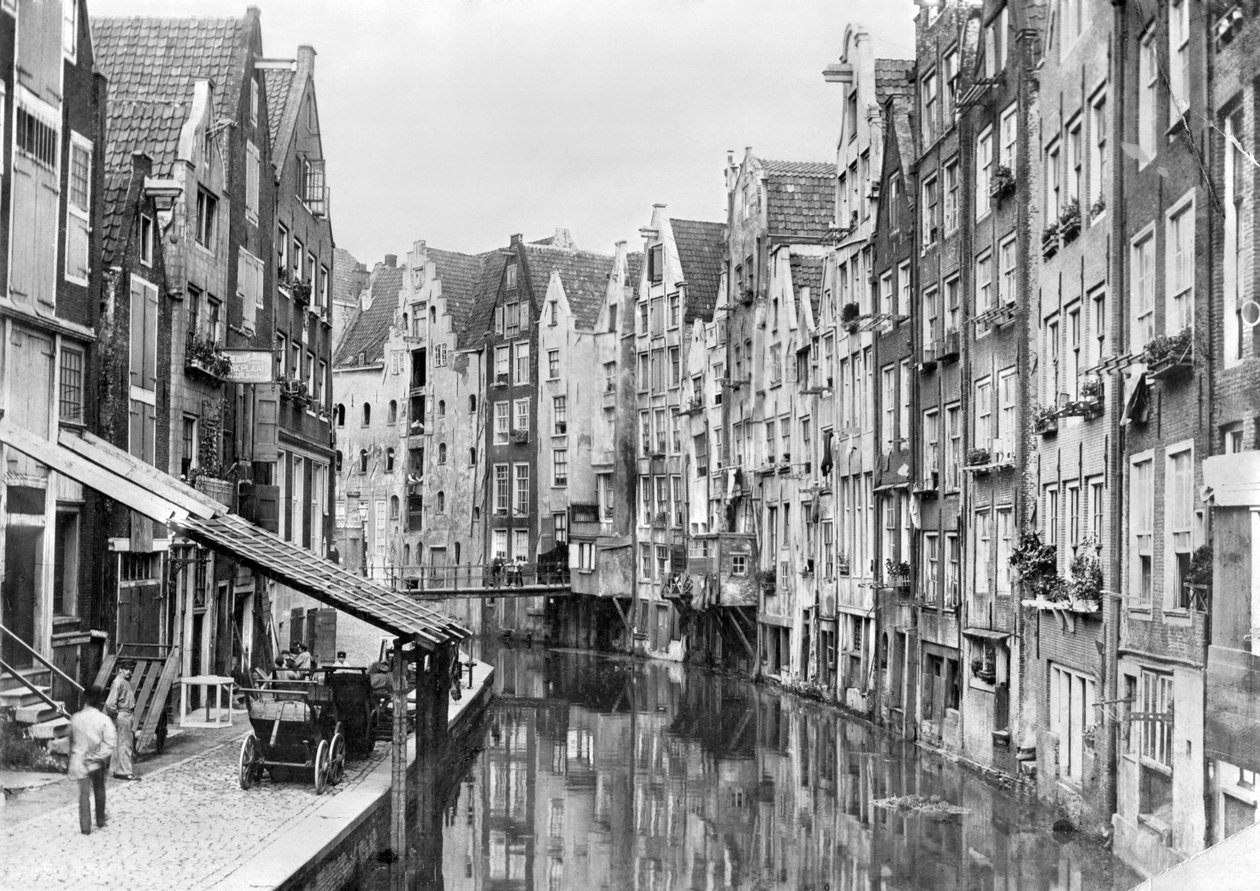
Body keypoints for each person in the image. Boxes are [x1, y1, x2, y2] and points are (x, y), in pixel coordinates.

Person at [68, 686, 115, 835]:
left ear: (85, 699)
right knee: (99, 788)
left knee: (83, 793)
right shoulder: (104, 719)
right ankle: (100, 819)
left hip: (80, 760)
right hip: (96, 760)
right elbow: (110, 743)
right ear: (100, 701)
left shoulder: (76, 718)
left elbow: (71, 739)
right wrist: (97, 756)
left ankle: (85, 827)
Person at [106, 662, 140, 781]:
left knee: (119, 743)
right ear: (120, 669)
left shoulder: (124, 681)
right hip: (123, 714)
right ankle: (126, 772)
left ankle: (116, 770)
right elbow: (110, 704)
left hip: (125, 714)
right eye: (126, 669)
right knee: (126, 744)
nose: (128, 671)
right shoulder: (118, 682)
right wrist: (117, 715)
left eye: (130, 669)